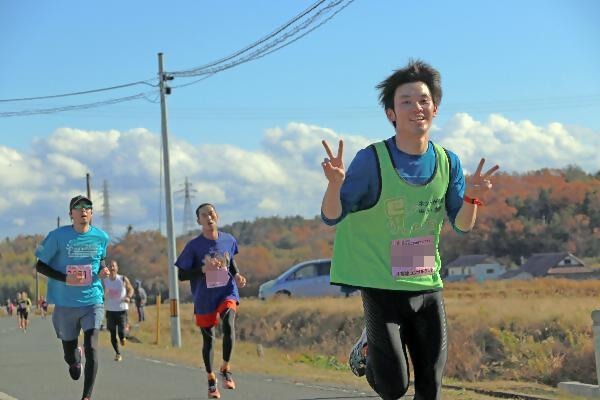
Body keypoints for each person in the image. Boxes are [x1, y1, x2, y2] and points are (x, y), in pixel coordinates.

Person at [320, 59, 500, 400]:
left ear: (435, 108)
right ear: (391, 113)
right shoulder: (371, 159)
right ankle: (369, 349)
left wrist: (473, 199)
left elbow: (461, 226)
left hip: (425, 282)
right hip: (379, 284)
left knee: (430, 388)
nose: (417, 107)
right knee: (394, 387)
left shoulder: (448, 162)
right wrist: (334, 185)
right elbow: (332, 215)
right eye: (406, 101)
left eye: (423, 100)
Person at [35, 195, 110, 400]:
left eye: (88, 207)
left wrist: (104, 271)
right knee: (71, 356)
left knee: (92, 345)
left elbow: (101, 261)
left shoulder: (101, 237)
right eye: (78, 207)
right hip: (65, 303)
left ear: (91, 213)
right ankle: (74, 360)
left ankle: (87, 396)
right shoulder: (57, 236)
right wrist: (65, 278)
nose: (83, 210)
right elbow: (39, 265)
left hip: (92, 299)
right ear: (71, 214)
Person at [175, 203, 247, 399]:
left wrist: (238, 276)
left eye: (212, 213)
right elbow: (181, 275)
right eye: (204, 215)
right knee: (209, 340)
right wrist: (202, 270)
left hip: (227, 291)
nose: (209, 217)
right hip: (205, 296)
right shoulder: (194, 246)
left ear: (217, 216)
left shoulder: (228, 240)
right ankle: (211, 379)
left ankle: (225, 368)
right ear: (199, 221)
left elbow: (231, 262)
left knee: (229, 323)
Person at [102, 260, 134, 361]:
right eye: (110, 266)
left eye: (114, 266)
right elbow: (100, 291)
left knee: (121, 330)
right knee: (112, 333)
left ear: (117, 268)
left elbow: (131, 289)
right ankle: (118, 353)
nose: (112, 268)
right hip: (110, 310)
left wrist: (128, 297)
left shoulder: (123, 279)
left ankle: (122, 338)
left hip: (121, 309)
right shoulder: (104, 280)